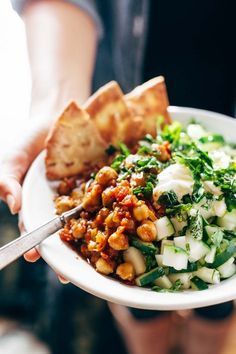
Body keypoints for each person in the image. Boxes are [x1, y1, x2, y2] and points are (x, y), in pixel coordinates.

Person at [0, 1, 235, 354]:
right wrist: (57, 104)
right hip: (120, 123)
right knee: (139, 313)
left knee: (217, 313)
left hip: (216, 113)